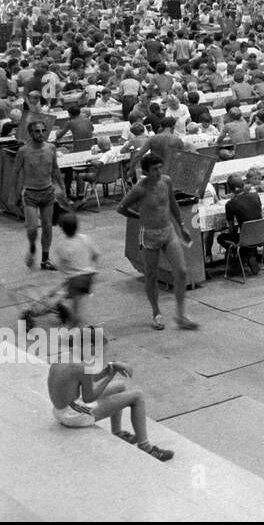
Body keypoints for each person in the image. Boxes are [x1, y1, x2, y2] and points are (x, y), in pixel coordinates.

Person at [46, 332, 173, 461]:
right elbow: (89, 397)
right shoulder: (81, 367)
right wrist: (109, 377)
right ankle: (147, 448)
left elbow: (87, 379)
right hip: (73, 415)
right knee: (138, 397)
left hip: (61, 410)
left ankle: (117, 433)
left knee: (120, 386)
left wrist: (109, 370)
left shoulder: (66, 358)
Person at [116, 154, 197, 331]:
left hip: (168, 230)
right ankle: (156, 313)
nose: (159, 172)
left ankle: (180, 314)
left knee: (181, 271)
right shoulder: (140, 189)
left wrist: (182, 225)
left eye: (160, 168)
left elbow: (172, 203)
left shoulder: (166, 181)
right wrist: (139, 217)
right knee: (151, 275)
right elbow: (121, 208)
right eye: (155, 169)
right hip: (149, 235)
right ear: (145, 171)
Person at [13, 119, 62, 270]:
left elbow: (55, 169)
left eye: (43, 131)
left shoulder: (51, 148)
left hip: (47, 191)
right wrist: (14, 194)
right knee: (32, 227)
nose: (41, 134)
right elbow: (15, 172)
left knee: (48, 226)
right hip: (30, 194)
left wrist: (62, 187)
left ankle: (45, 259)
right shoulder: (24, 151)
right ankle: (33, 245)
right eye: (37, 131)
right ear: (30, 133)